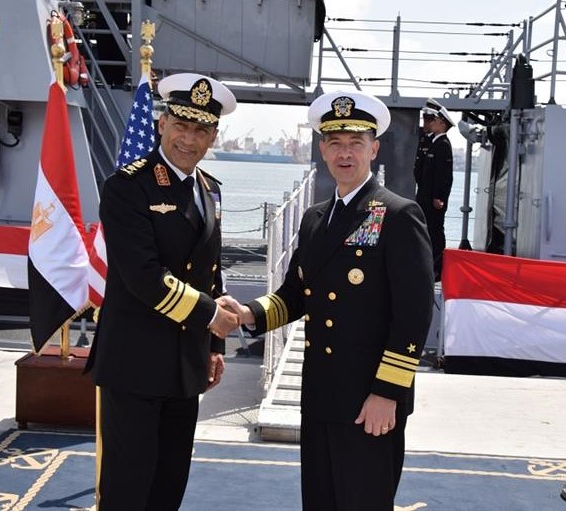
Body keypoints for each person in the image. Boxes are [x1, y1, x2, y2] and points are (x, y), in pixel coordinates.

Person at [220, 91, 435, 510]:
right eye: (335, 143)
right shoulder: (316, 217)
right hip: (320, 394)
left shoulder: (398, 214)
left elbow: (414, 315)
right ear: (321, 149)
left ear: (374, 148)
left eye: (356, 143)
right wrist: (249, 314)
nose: (345, 153)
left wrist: (387, 393)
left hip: (368, 399)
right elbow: (295, 295)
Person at [85, 72, 241, 511]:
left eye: (200, 130)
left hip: (185, 366)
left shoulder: (209, 190)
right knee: (128, 490)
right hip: (135, 364)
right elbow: (142, 276)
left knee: (168, 487)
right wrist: (211, 315)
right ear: (162, 124)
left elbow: (208, 269)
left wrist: (213, 346)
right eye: (181, 126)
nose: (188, 140)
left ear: (213, 136)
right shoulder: (127, 187)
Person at [413, 98, 455, 281]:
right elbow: (421, 170)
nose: (428, 123)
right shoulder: (432, 142)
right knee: (426, 229)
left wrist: (439, 197)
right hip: (424, 195)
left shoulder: (443, 145)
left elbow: (445, 176)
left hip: (434, 199)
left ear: (441, 123)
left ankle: (438, 267)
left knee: (435, 231)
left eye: (432, 120)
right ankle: (428, 263)